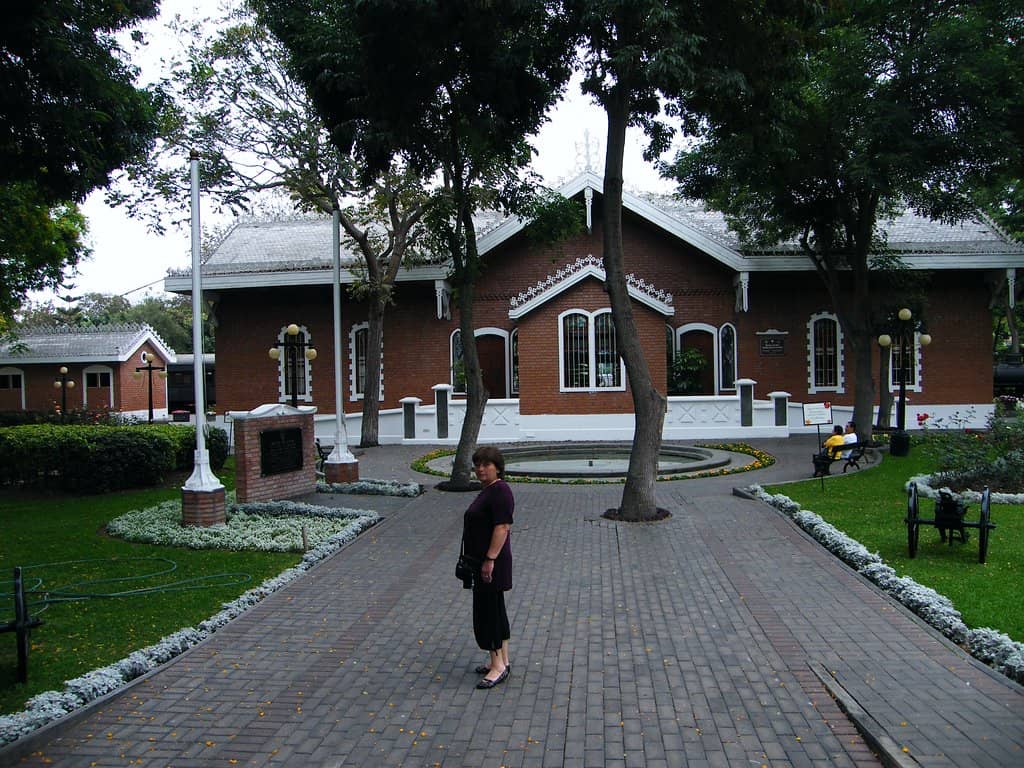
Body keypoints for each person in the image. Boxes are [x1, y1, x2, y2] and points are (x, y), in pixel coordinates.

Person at [461, 445, 514, 689]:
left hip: (490, 565)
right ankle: (502, 659)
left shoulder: (500, 491)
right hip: (484, 563)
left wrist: (489, 559)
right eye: (478, 465)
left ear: (498, 468)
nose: (481, 469)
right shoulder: (490, 490)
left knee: (487, 613)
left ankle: (497, 667)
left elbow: (502, 527)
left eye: (486, 465)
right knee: (495, 609)